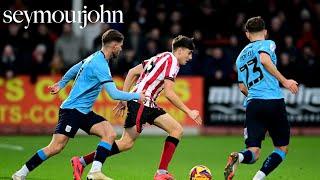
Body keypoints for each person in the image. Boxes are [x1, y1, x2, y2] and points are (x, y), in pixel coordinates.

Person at [12, 29, 145, 180]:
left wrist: (60, 84)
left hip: (84, 112)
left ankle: (95, 172)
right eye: (120, 46)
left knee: (109, 133)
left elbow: (74, 68)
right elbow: (114, 94)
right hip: (72, 111)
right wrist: (137, 96)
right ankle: (20, 173)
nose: (121, 49)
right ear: (114, 46)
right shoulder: (100, 65)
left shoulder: (94, 57)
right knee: (56, 147)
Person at [70, 35, 202, 180]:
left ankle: (161, 173)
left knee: (176, 130)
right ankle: (81, 161)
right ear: (180, 50)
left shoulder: (161, 56)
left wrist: (125, 97)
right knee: (126, 143)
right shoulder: (172, 62)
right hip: (141, 103)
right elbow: (169, 93)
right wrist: (189, 111)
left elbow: (133, 71)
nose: (190, 57)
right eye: (189, 53)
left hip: (146, 103)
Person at [224, 16, 299, 180]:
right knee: (281, 148)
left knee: (253, 152)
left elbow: (242, 87)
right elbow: (264, 59)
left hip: (253, 104)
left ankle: (240, 157)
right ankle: (257, 178)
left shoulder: (240, 57)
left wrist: (255, 96)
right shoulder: (268, 43)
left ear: (247, 34)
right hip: (273, 101)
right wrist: (285, 81)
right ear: (265, 31)